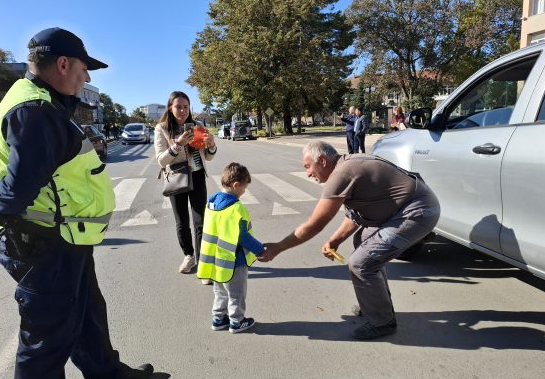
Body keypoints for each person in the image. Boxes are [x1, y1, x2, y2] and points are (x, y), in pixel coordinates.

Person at [0, 27, 153, 379]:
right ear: (62, 64)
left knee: (87, 313)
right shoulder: (35, 110)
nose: (87, 78)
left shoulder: (40, 103)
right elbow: (19, 186)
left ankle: (109, 376)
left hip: (65, 238)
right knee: (46, 334)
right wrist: (0, 212)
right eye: (83, 68)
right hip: (44, 244)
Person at [259, 141, 440, 340]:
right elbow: (354, 215)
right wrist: (335, 240)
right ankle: (375, 304)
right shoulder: (345, 167)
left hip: (417, 212)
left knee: (361, 263)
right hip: (401, 210)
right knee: (361, 241)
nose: (308, 173)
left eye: (308, 167)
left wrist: (279, 247)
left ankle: (382, 322)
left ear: (322, 160)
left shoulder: (342, 174)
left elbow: (315, 224)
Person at [154, 91, 217, 276]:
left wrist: (211, 144)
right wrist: (178, 144)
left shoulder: (197, 126)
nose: (182, 110)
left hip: (197, 175)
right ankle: (189, 256)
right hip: (176, 177)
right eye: (178, 106)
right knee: (182, 222)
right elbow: (161, 161)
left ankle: (204, 263)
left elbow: (209, 156)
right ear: (170, 108)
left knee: (200, 222)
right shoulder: (162, 129)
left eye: (185, 107)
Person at [197, 162, 264, 333]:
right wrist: (260, 250)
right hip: (236, 260)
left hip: (217, 259)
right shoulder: (236, 208)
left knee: (220, 292)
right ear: (236, 185)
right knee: (237, 293)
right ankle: (237, 321)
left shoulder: (212, 204)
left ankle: (218, 319)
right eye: (244, 188)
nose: (244, 191)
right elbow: (243, 237)